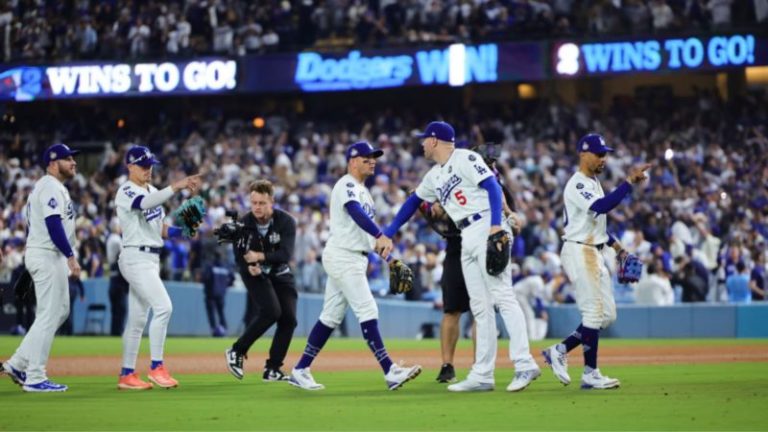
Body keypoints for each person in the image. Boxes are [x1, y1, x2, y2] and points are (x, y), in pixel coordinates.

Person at [381, 121, 540, 393]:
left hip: (485, 226)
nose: (421, 144)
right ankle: (482, 374)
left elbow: (492, 186)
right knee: (480, 306)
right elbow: (411, 203)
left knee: (502, 296)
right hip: (465, 235)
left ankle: (524, 363)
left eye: (424, 139)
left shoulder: (465, 157)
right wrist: (389, 232)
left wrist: (494, 226)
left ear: (434, 141)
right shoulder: (434, 175)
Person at [288, 141, 422, 391]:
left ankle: (301, 369)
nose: (372, 160)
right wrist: (381, 233)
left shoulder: (365, 191)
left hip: (353, 256)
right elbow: (355, 213)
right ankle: (390, 370)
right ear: (352, 161)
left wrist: (389, 258)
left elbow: (369, 237)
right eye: (366, 157)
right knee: (367, 308)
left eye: (374, 157)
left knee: (330, 316)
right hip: (343, 256)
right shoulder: (346, 184)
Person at [541, 133, 650, 390]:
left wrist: (618, 248)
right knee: (593, 313)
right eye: (599, 153)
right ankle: (590, 373)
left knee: (607, 315)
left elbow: (595, 224)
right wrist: (628, 183)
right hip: (580, 251)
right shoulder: (578, 183)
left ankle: (560, 350)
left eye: (605, 154)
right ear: (583, 154)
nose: (603, 158)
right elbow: (601, 207)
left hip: (594, 250)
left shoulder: (593, 182)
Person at [115, 145, 201, 390]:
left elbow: (159, 228)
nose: (148, 169)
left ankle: (127, 374)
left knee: (137, 320)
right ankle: (156, 367)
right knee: (163, 307)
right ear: (130, 166)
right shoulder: (126, 191)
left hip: (150, 258)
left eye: (150, 164)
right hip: (135, 257)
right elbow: (143, 204)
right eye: (143, 165)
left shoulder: (152, 189)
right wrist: (176, 186)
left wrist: (181, 232)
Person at [1, 143, 82, 392]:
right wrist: (70, 255)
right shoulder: (48, 186)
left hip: (49, 254)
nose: (73, 162)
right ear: (52, 163)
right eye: (67, 159)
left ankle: (17, 363)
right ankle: (35, 376)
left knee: (60, 312)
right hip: (48, 254)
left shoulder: (56, 188)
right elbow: (53, 224)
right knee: (49, 313)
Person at [224, 180, 299, 382]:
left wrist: (260, 257)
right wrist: (250, 266)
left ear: (272, 202)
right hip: (254, 273)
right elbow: (240, 256)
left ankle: (273, 369)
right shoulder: (243, 224)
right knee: (272, 311)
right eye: (254, 202)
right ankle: (237, 350)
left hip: (280, 271)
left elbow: (286, 253)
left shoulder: (286, 221)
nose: (257, 207)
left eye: (262, 203)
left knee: (289, 319)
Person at [202, 249, 233, 338]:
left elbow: (205, 278)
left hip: (210, 294)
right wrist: (225, 286)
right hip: (221, 293)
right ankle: (224, 329)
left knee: (211, 312)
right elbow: (232, 278)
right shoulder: (225, 266)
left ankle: (214, 330)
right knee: (221, 312)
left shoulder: (210, 265)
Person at [106, 221, 129, 336]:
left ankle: (114, 333)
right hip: (119, 279)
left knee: (115, 310)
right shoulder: (115, 238)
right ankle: (118, 333)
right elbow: (122, 255)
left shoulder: (110, 238)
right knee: (121, 309)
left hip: (113, 277)